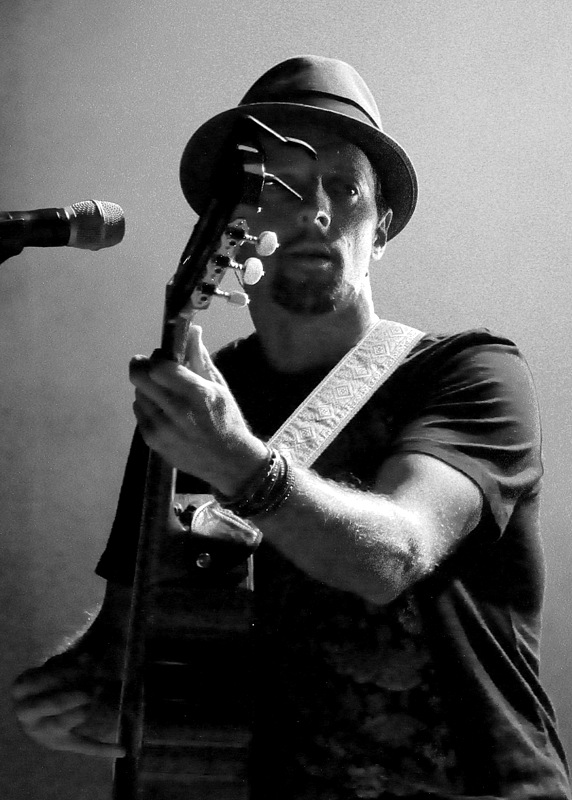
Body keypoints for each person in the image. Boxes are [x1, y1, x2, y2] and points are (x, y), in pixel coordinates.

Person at [12, 55, 571, 800]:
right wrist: (77, 685)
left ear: (381, 230)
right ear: (232, 223)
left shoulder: (469, 372)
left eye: (346, 189)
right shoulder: (198, 402)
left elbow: (397, 553)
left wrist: (238, 462)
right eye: (281, 185)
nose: (316, 212)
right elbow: (129, 633)